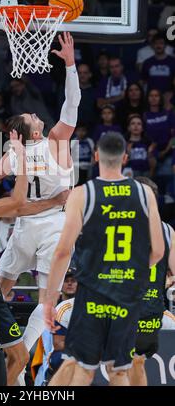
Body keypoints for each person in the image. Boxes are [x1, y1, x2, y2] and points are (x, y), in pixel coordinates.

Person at [0, 32, 81, 363]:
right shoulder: (56, 140)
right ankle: (22, 352)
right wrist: (70, 65)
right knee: (47, 298)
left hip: (24, 226)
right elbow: (72, 105)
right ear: (35, 132)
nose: (36, 115)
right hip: (54, 225)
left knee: (1, 286)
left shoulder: (16, 154)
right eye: (32, 118)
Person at [44, 132, 164, 386]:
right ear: (126, 157)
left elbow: (63, 251)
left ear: (96, 156)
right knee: (119, 370)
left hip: (92, 293)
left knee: (83, 369)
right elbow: (157, 251)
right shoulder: (144, 194)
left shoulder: (82, 193)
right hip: (126, 293)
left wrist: (49, 297)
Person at [0, 133, 69, 385]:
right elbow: (19, 203)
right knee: (15, 357)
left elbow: (22, 208)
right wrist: (21, 161)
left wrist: (53, 202)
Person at [128, 176, 175, 387]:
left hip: (122, 307)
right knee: (137, 362)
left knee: (114, 367)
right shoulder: (168, 231)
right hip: (151, 310)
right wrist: (165, 282)